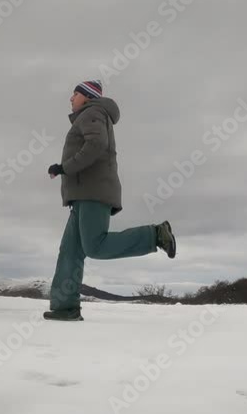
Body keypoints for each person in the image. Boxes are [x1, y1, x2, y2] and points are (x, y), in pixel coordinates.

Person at [44, 80, 176, 321]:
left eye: (75, 94)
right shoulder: (91, 114)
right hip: (82, 196)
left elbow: (97, 144)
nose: (71, 99)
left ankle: (155, 235)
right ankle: (65, 307)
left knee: (95, 246)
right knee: (70, 253)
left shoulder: (92, 112)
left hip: (93, 193)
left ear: (87, 96)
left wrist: (64, 167)